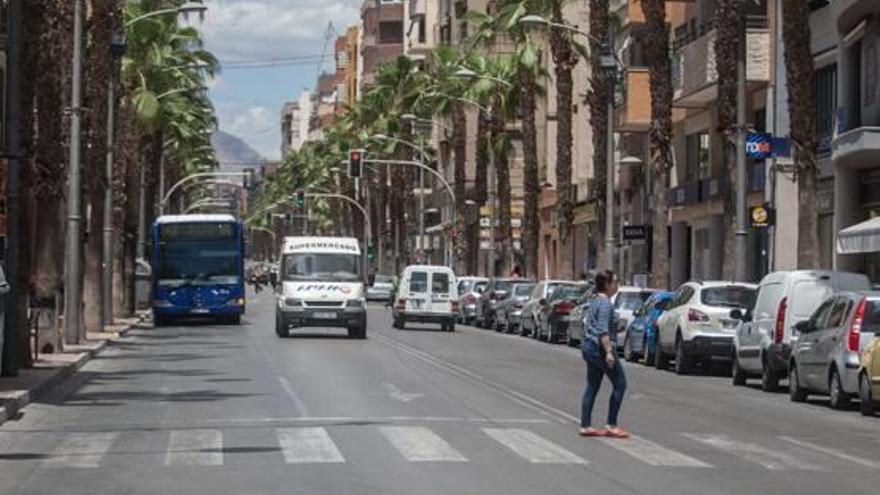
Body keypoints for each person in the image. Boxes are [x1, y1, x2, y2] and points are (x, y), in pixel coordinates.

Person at [579, 269, 629, 438]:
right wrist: (609, 352)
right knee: (620, 383)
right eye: (615, 282)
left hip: (589, 346)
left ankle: (586, 425)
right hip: (599, 348)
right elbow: (602, 330)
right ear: (607, 285)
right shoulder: (606, 303)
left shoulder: (594, 301)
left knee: (592, 385)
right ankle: (611, 424)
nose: (617, 285)